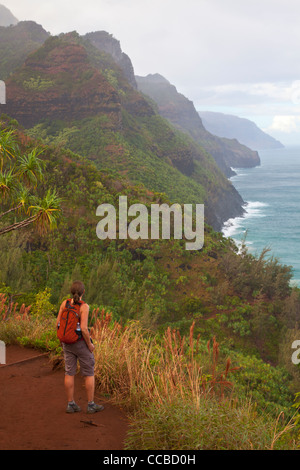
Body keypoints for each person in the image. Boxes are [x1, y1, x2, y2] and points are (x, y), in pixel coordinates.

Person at [56, 280, 104, 414]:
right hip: (80, 343)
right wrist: (90, 345)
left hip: (67, 343)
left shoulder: (64, 303)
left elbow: (58, 323)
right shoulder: (84, 307)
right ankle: (91, 405)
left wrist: (62, 340)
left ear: (71, 292)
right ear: (83, 292)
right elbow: (83, 328)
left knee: (69, 372)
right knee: (89, 373)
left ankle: (70, 404)